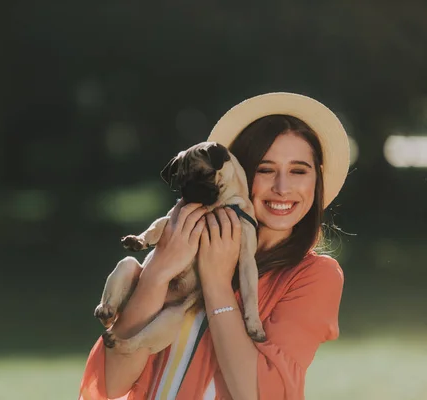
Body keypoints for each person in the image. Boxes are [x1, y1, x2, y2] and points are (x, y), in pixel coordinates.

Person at [78, 92, 350, 400]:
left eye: (299, 170)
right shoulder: (184, 246)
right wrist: (159, 270)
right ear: (237, 172)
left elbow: (259, 394)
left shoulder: (314, 276)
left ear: (317, 179)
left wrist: (218, 284)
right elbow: (111, 385)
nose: (282, 187)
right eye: (265, 169)